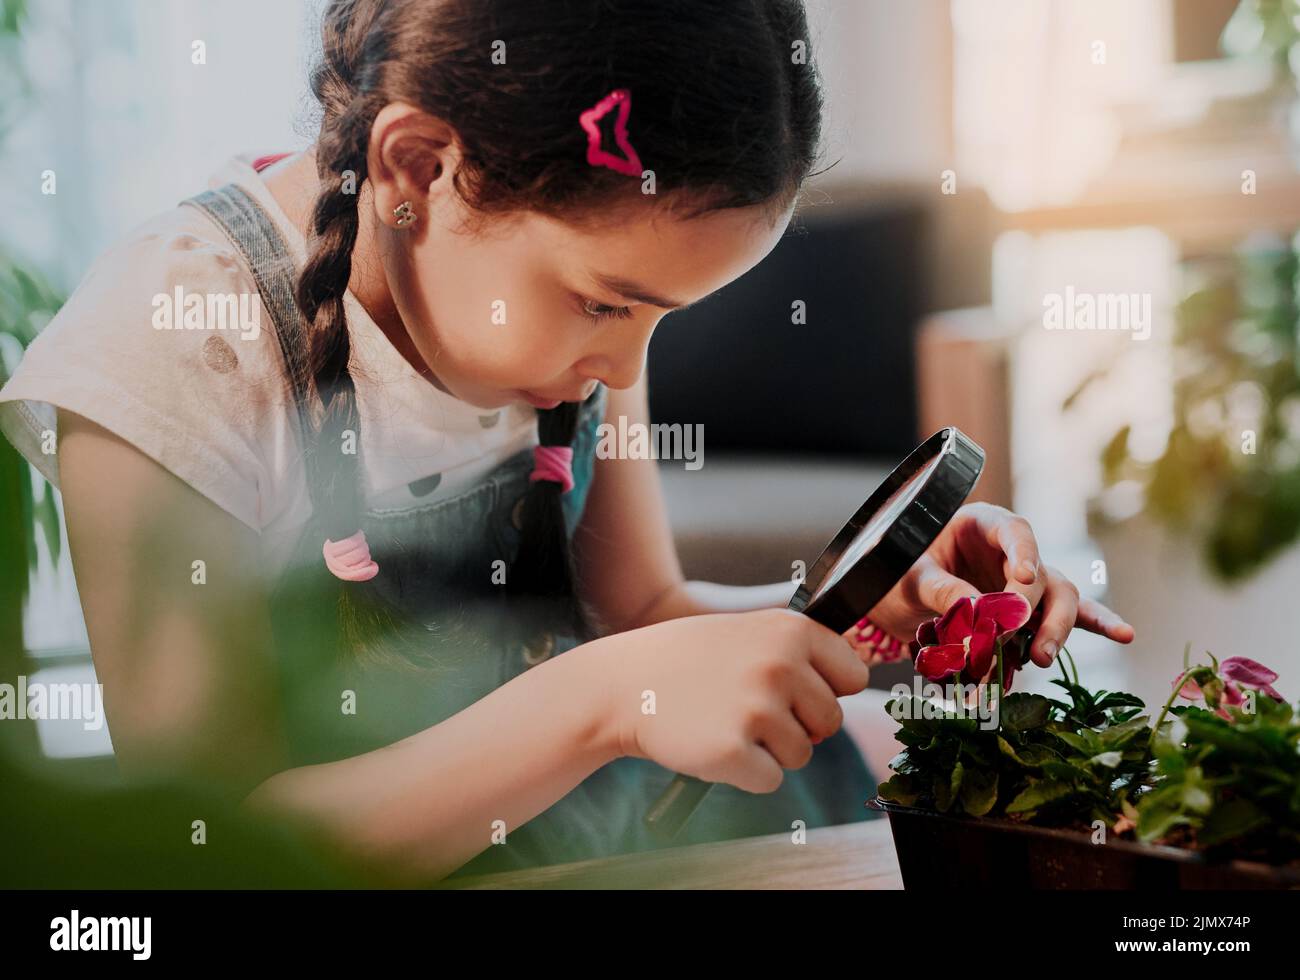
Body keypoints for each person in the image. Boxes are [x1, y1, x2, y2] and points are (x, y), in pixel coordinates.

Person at [0, 0, 1134, 884]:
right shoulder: (175, 338)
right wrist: (603, 703)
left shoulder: (552, 316)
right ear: (416, 173)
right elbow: (197, 848)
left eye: (662, 318)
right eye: (607, 304)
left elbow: (642, 615)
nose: (630, 367)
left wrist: (863, 599)